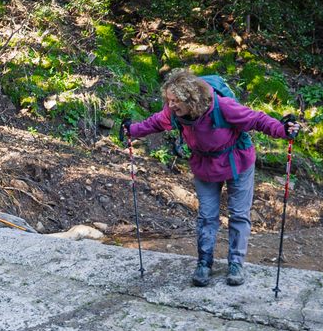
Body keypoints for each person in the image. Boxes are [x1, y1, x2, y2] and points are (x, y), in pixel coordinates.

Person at [122, 69, 300, 287]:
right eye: (169, 100)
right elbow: (154, 123)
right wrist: (132, 130)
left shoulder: (222, 107)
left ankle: (235, 263)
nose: (171, 105)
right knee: (207, 216)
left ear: (191, 99)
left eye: (176, 101)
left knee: (238, 214)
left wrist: (283, 130)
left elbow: (256, 120)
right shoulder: (173, 113)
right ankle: (204, 263)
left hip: (238, 162)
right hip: (205, 165)